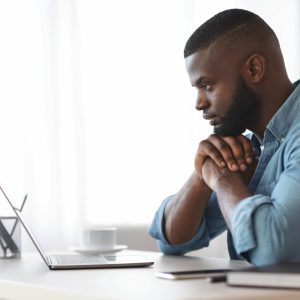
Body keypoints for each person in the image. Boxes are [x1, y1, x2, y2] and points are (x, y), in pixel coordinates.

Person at [149, 8, 300, 266]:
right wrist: (200, 177)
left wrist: (220, 179)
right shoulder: (253, 147)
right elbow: (172, 240)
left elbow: (272, 251)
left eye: (207, 86)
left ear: (254, 69)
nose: (198, 103)